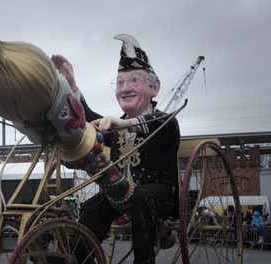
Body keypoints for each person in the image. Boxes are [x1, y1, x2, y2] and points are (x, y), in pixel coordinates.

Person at [51, 34, 180, 264]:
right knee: (92, 207)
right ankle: (76, 258)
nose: (125, 88)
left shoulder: (166, 121)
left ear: (155, 87)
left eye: (134, 81)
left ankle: (144, 260)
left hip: (159, 197)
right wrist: (71, 86)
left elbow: (150, 123)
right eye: (120, 83)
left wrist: (123, 123)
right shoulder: (115, 125)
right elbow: (88, 119)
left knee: (140, 196)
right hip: (122, 193)